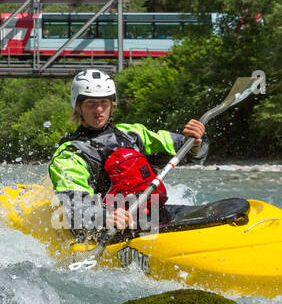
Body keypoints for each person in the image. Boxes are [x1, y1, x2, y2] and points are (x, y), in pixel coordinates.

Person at [49, 69, 206, 237]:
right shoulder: (70, 154)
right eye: (91, 103)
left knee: (223, 212)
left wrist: (195, 142)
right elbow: (73, 209)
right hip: (108, 229)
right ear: (78, 106)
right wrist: (106, 216)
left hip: (151, 214)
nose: (99, 109)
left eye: (104, 102)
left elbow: (190, 154)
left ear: (112, 105)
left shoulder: (132, 134)